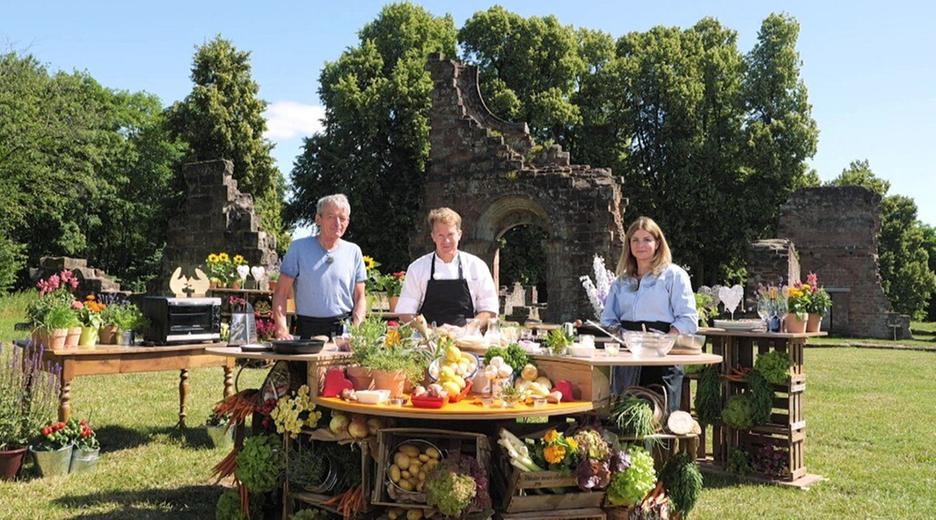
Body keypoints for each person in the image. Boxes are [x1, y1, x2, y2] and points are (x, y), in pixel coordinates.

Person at [600, 216, 698, 411]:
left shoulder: (673, 276)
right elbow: (608, 319)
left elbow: (688, 318)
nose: (640, 245)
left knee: (659, 416)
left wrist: (666, 341)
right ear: (629, 244)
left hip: (662, 357)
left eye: (647, 239)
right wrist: (621, 335)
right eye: (635, 240)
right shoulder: (621, 282)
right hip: (628, 358)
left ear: (658, 243)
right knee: (627, 414)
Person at [272, 194, 367, 339]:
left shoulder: (354, 251)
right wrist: (281, 329)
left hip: (343, 332)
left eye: (342, 218)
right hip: (307, 331)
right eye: (331, 217)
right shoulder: (298, 248)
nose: (337, 223)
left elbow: (360, 297)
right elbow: (280, 293)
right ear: (318, 219)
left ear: (348, 222)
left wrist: (356, 331)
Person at [396, 207, 499, 327]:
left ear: (459, 234)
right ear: (433, 236)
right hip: (427, 336)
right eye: (440, 235)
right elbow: (405, 313)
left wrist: (467, 330)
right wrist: (431, 332)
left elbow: (490, 309)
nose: (446, 241)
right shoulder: (417, 268)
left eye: (450, 234)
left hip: (467, 335)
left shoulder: (477, 266)